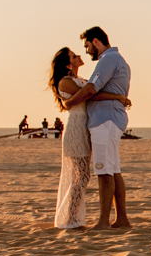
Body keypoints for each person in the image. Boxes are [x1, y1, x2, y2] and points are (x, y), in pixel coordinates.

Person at [49, 47, 130, 230]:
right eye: (74, 56)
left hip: (86, 128)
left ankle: (73, 217)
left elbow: (90, 91)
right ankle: (70, 217)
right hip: (76, 129)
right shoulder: (65, 82)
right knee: (80, 176)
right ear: (68, 64)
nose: (79, 56)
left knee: (82, 176)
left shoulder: (82, 81)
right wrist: (117, 96)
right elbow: (90, 94)